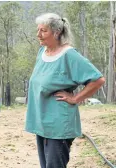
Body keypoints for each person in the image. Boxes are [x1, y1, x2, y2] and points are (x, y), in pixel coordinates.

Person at [25, 13, 105, 168]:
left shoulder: (69, 55)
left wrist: (75, 98)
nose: (38, 35)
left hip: (59, 123)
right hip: (42, 122)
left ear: (57, 33)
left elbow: (98, 80)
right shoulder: (42, 52)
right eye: (38, 30)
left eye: (43, 31)